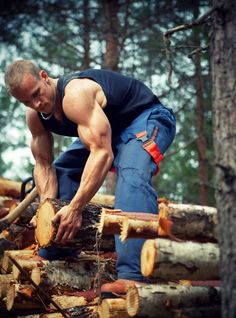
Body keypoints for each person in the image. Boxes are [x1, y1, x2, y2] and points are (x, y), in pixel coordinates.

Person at [4, 60, 176, 294]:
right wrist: (46, 207)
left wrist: (75, 208)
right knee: (63, 170)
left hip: (146, 118)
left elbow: (103, 153)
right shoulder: (34, 115)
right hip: (107, 131)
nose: (37, 103)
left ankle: (135, 275)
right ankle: (57, 251)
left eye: (37, 94)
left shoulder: (75, 95)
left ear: (44, 76)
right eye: (27, 101)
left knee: (132, 176)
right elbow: (44, 165)